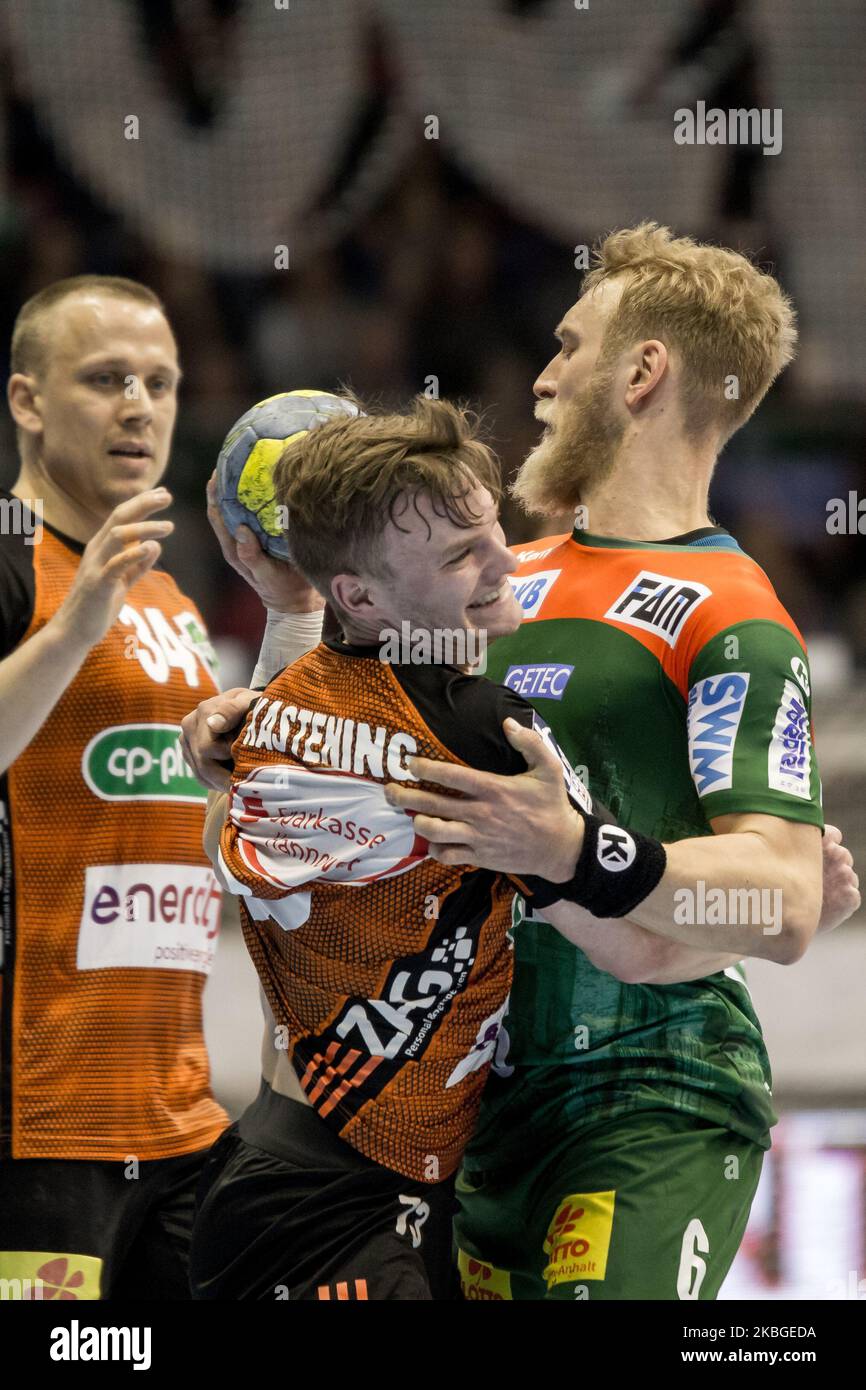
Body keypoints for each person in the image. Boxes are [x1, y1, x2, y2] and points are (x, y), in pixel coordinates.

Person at [182, 395, 856, 1302]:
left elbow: (240, 820)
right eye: (464, 555)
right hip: (347, 1203)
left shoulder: (274, 708)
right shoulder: (483, 735)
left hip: (305, 1174)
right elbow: (638, 945)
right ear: (363, 595)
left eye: (494, 531)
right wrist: (783, 909)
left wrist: (274, 630)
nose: (510, 566)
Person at [384, 223, 860, 1300]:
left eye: (566, 345)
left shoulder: (729, 612)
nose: (541, 378)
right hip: (471, 1105)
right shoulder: (493, 580)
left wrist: (569, 849)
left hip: (649, 1091)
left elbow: (783, 897)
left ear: (642, 371)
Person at [0, 275, 229, 1301]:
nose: (140, 405)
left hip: (178, 1113)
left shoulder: (166, 588)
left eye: (160, 381)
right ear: (27, 401)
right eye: (104, 379)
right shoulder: (12, 559)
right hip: (35, 1122)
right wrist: (74, 624)